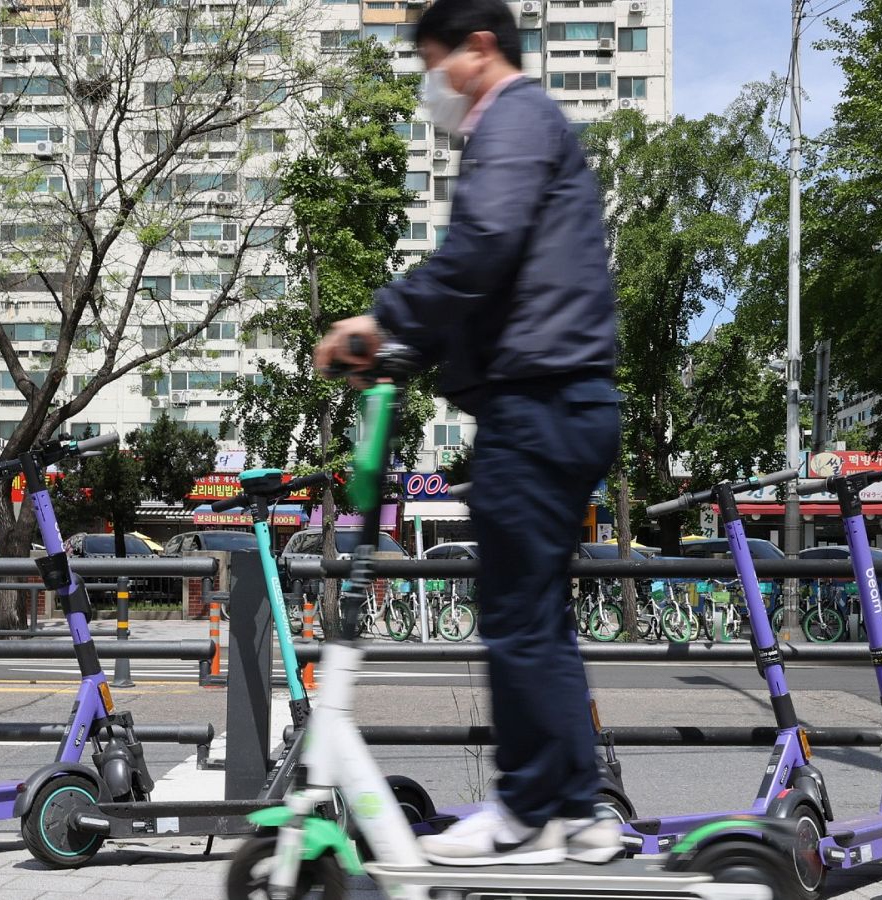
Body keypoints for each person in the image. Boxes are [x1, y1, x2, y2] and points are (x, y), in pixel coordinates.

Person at [314, 0, 621, 868]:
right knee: (537, 617)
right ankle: (577, 813)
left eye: (434, 61)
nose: (430, 85)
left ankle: (528, 812)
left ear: (480, 49)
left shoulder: (515, 118)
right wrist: (408, 345)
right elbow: (501, 281)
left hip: (539, 404)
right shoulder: (532, 126)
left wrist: (380, 320)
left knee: (518, 619)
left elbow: (484, 247)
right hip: (557, 400)